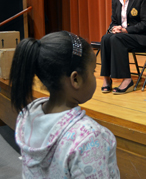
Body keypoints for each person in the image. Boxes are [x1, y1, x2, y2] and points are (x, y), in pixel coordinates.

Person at [9, 31, 120, 178]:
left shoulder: (27, 115)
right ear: (76, 79)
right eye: (93, 71)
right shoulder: (89, 138)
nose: (95, 77)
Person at [100, 0, 146, 94]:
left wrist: (126, 30)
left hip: (140, 36)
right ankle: (107, 78)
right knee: (106, 37)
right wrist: (115, 28)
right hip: (122, 36)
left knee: (116, 38)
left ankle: (127, 79)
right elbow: (114, 21)